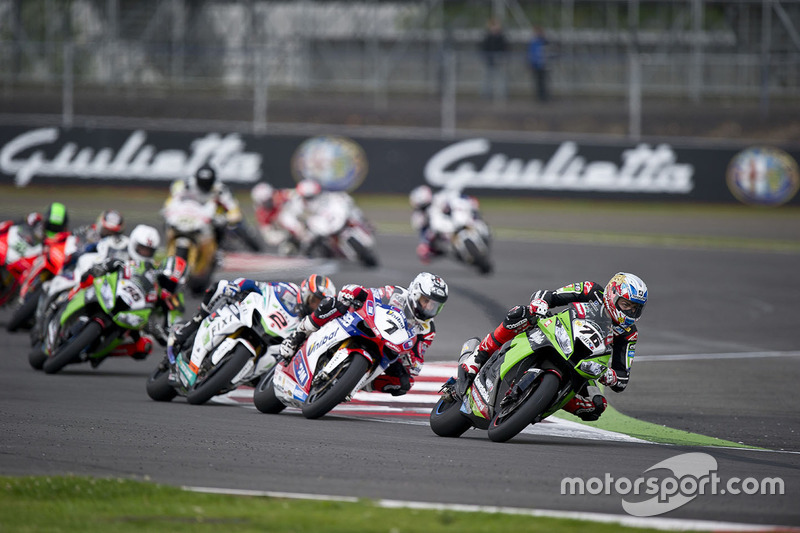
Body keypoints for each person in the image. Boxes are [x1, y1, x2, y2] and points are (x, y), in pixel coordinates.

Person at [460, 272, 648, 421]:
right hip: (557, 332)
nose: (629, 311)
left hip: (582, 363)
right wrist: (540, 303)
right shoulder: (592, 291)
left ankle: (539, 404)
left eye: (635, 308)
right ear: (612, 295)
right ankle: (478, 357)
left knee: (597, 405)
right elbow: (550, 295)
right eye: (626, 305)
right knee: (520, 313)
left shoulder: (629, 333)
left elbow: (622, 378)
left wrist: (608, 376)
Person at [278, 272, 449, 396]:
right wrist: (354, 293)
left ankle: (356, 382)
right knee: (333, 302)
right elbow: (372, 294)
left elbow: (418, 355)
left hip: (388, 347)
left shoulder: (428, 329)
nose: (428, 308)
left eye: (435, 305)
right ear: (414, 293)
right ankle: (299, 334)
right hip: (365, 323)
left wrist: (412, 363)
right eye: (426, 301)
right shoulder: (397, 294)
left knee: (404, 384)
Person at [168, 273, 337, 357]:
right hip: (257, 317)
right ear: (306, 292)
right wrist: (237, 286)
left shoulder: (311, 324)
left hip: (273, 344)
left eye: (320, 304)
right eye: (314, 300)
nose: (315, 307)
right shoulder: (289, 290)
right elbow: (260, 286)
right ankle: (193, 325)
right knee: (220, 287)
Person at [81, 225, 185, 361]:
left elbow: (171, 328)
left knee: (144, 347)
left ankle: (103, 352)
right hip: (111, 291)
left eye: (149, 250)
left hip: (138, 317)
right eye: (141, 248)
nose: (144, 253)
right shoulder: (119, 250)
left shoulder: (171, 297)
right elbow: (92, 253)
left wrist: (158, 329)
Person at [164, 163, 244, 248]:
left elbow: (234, 209)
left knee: (220, 228)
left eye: (207, 184)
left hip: (210, 218)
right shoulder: (185, 185)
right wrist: (168, 211)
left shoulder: (220, 189)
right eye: (202, 184)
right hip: (186, 216)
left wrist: (226, 218)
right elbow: (172, 201)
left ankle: (217, 252)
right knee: (169, 224)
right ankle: (170, 247)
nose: (204, 187)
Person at [274, 179, 322, 255]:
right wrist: (297, 227)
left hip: (320, 227)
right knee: (288, 249)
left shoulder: (322, 201)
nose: (309, 200)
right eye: (307, 197)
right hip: (302, 230)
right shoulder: (295, 203)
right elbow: (285, 217)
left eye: (312, 196)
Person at [251, 181, 293, 247]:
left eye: (269, 199)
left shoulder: (282, 195)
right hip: (284, 230)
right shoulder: (261, 212)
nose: (268, 203)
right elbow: (266, 231)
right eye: (265, 201)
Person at [479, 17, 508, 101]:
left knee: (501, 78)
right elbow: (484, 48)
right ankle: (486, 95)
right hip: (489, 61)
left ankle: (501, 95)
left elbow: (505, 48)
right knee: (487, 78)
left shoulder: (501, 37)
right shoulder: (487, 37)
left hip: (499, 60)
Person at [527, 26, 549, 102]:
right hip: (536, 64)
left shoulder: (544, 41)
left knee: (543, 82)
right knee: (538, 82)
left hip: (543, 64)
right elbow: (531, 53)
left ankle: (544, 97)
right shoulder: (534, 42)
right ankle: (539, 97)